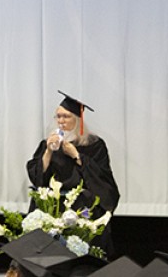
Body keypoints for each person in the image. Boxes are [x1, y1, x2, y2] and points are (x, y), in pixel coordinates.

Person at [25, 91, 120, 256]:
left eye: (66, 117)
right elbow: (38, 178)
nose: (61, 121)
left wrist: (77, 155)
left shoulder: (95, 145)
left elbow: (102, 179)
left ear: (77, 120)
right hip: (53, 202)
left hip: (81, 203)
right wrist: (48, 151)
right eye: (58, 116)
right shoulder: (47, 144)